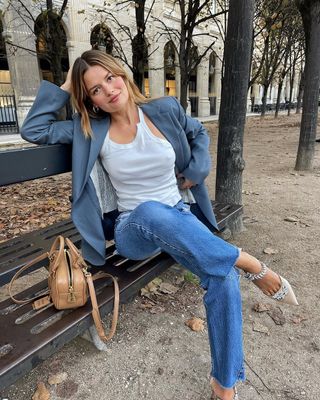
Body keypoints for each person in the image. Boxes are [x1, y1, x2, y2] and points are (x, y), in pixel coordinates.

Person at [21, 50, 298, 400]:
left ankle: (224, 388)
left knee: (222, 276)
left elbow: (199, 135)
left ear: (122, 75)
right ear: (88, 99)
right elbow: (33, 130)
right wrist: (67, 83)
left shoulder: (164, 109)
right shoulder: (89, 128)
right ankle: (250, 263)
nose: (107, 90)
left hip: (179, 218)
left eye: (109, 77)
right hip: (133, 229)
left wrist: (195, 171)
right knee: (152, 211)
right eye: (94, 89)